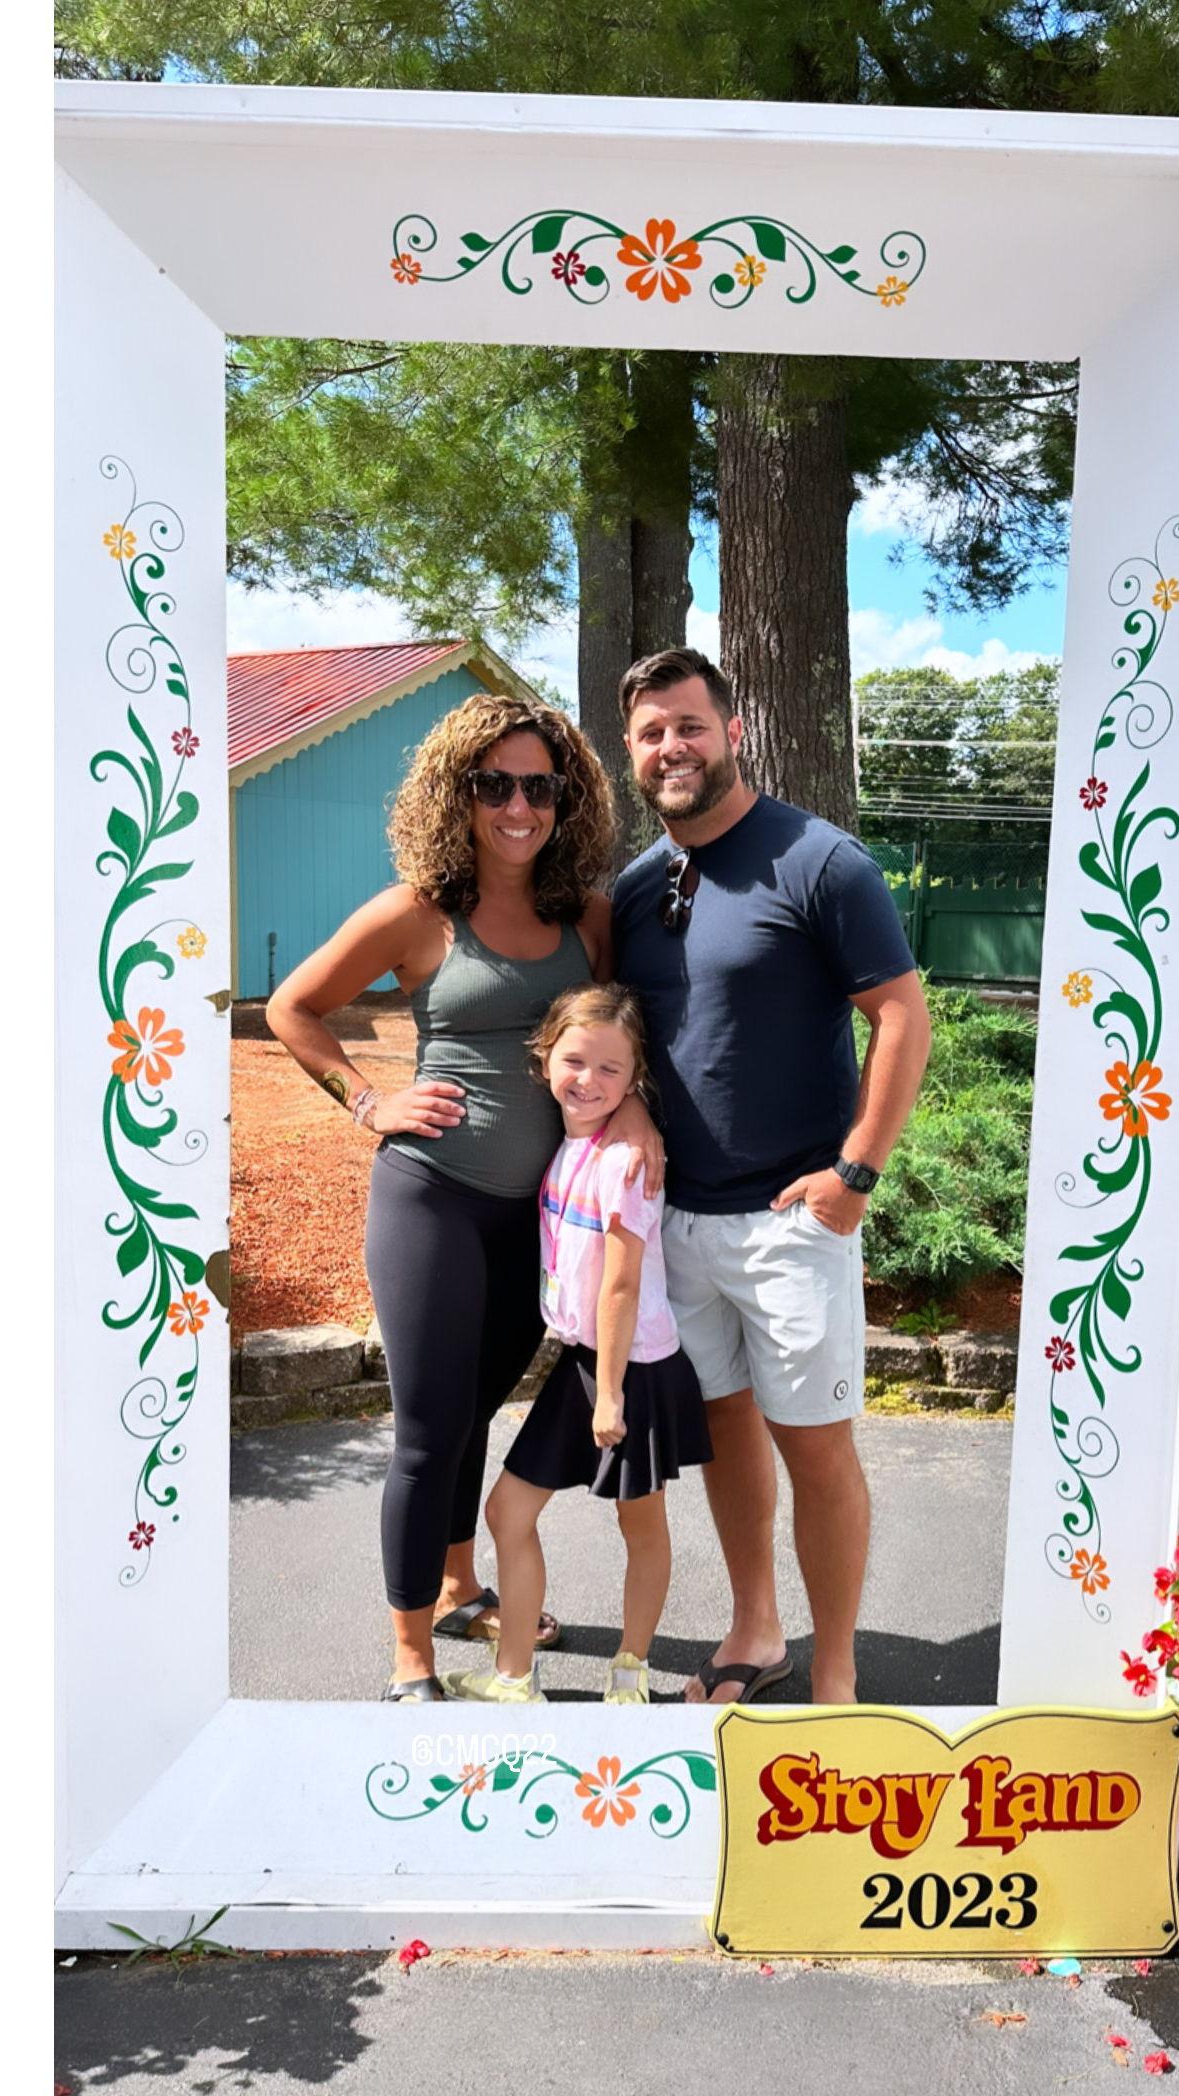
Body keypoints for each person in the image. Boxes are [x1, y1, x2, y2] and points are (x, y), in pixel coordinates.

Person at [264, 691, 658, 1702]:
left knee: (473, 1409)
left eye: (540, 787)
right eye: (495, 785)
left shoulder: (586, 918)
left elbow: (620, 1036)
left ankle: (456, 1587)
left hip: (535, 1219)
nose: (518, 807)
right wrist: (367, 1101)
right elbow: (293, 1006)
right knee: (429, 1433)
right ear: (458, 792)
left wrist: (637, 1115)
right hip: (431, 1200)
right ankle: (411, 1657)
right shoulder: (415, 912)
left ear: (567, 799)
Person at [610, 646, 932, 1707]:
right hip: (679, 1223)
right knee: (725, 1434)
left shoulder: (820, 860)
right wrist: (629, 1116)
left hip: (795, 1217)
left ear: (733, 731)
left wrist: (855, 1173)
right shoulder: (634, 888)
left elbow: (900, 1014)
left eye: (689, 725)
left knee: (815, 1448)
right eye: (650, 732)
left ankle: (835, 1671)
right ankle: (757, 1627)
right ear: (630, 750)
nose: (671, 747)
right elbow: (617, 1033)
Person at [443, 985, 712, 1705]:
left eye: (610, 1070)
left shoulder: (625, 1163)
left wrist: (613, 1395)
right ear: (544, 1058)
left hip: (632, 1368)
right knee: (508, 1513)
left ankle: (629, 1671)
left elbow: (621, 1286)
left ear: (634, 1079)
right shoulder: (572, 1144)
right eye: (575, 1061)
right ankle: (513, 1677)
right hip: (586, 1361)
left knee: (640, 1524)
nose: (588, 1080)